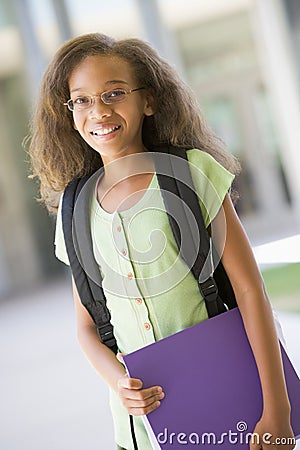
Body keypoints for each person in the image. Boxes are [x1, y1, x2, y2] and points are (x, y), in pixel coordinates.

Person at [27, 33, 295, 450]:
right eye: (81, 100)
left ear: (148, 101)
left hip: (226, 409)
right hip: (139, 433)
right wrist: (119, 383)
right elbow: (86, 327)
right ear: (68, 113)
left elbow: (249, 291)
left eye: (114, 93)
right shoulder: (73, 208)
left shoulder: (191, 173)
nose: (98, 110)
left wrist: (277, 409)